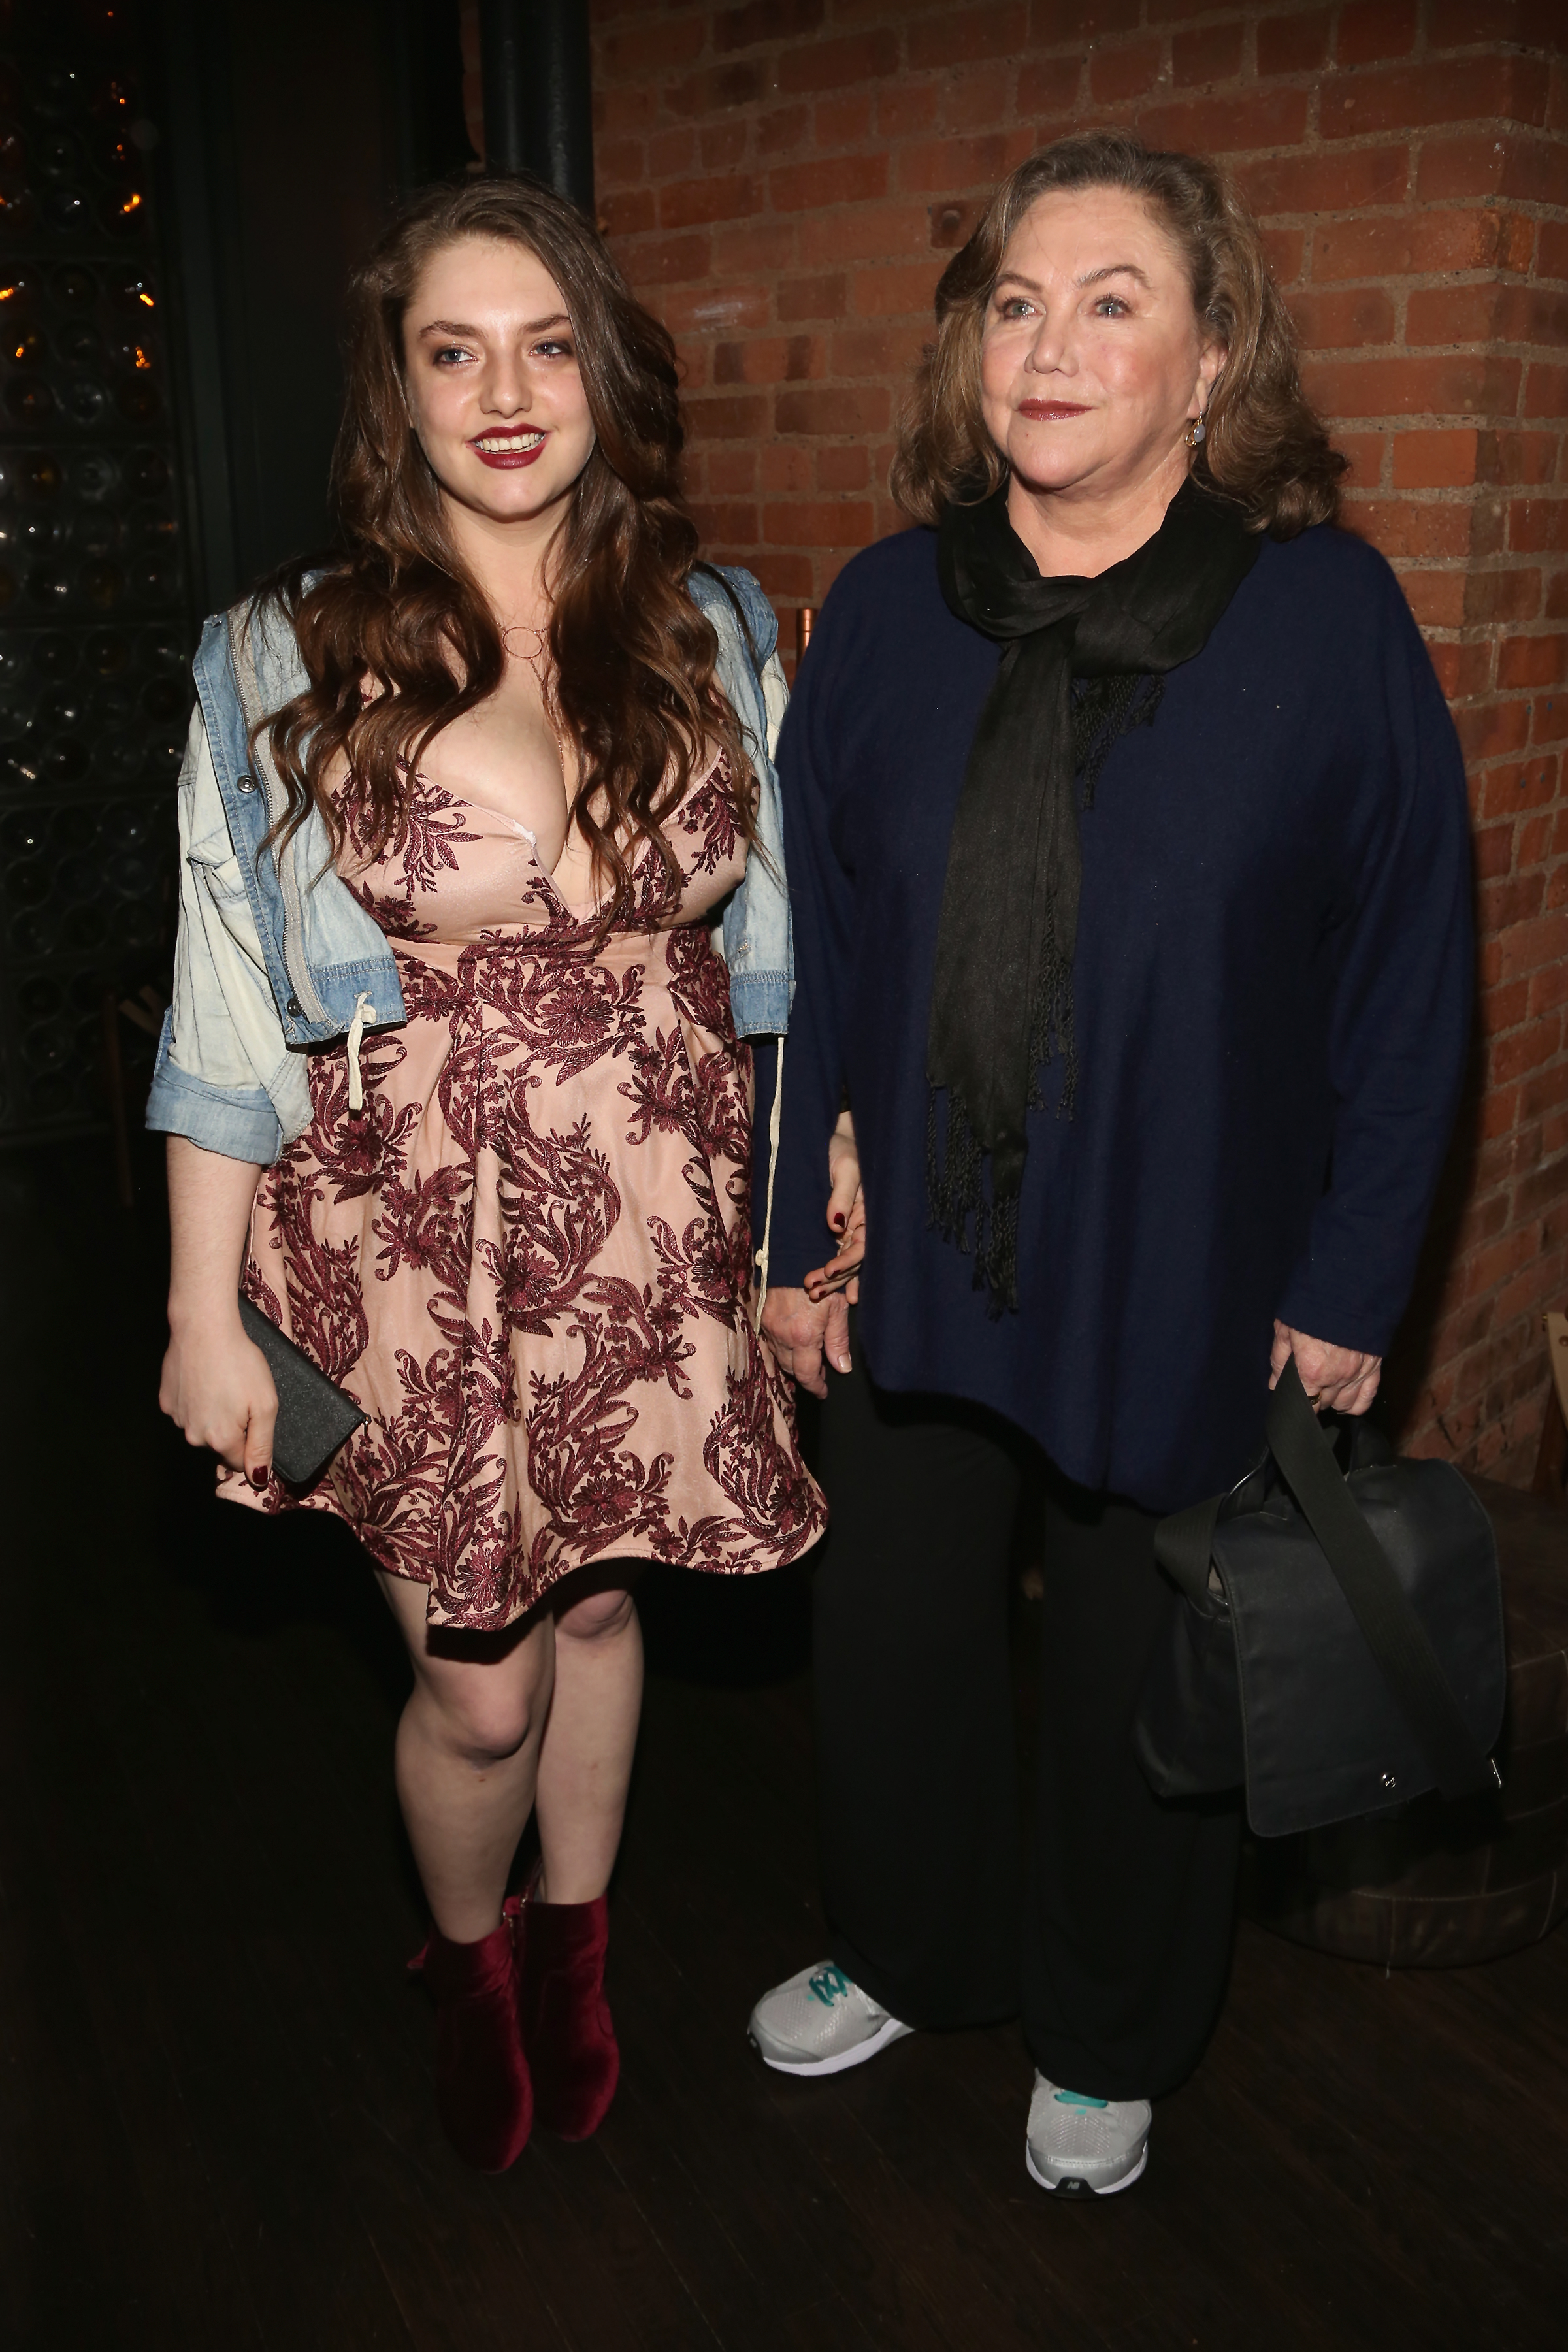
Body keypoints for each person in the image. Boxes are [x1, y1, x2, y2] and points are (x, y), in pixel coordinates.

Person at [748, 131, 1473, 2197]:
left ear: (1213, 359)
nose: (1051, 347)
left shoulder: (1328, 622)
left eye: (1114, 302)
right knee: (889, 1630)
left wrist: (1351, 1289)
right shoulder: (889, 610)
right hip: (918, 1251)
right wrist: (795, 1230)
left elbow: (1414, 973)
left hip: (1185, 1247)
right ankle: (909, 1944)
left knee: (1140, 1666)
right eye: (1016, 304)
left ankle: (1105, 2027)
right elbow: (819, 952)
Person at [149, 175, 825, 2174]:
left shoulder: (707, 629)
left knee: (607, 1622)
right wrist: (202, 1311)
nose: (506, 392)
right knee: (478, 1681)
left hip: (657, 1226)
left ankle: (578, 1954)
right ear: (401, 392)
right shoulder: (282, 650)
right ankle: (465, 1955)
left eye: (546, 345)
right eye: (456, 352)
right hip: (404, 1239)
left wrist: (807, 1206)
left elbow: (780, 970)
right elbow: (220, 1007)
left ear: (603, 374)